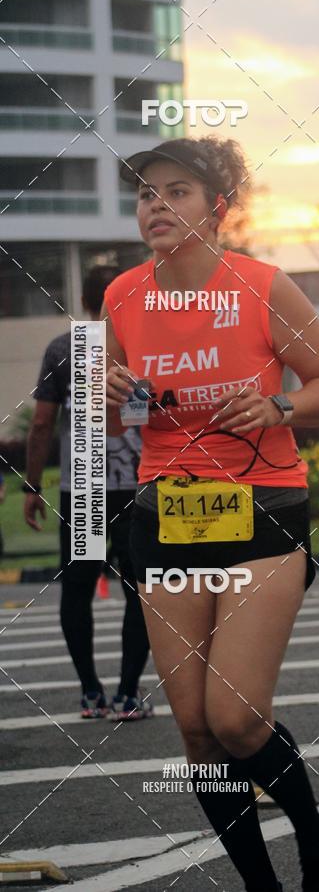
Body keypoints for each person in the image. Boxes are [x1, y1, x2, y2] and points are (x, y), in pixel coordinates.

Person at [105, 137, 319, 891]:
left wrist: (278, 403)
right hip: (167, 517)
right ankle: (260, 885)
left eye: (177, 191)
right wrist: (105, 399)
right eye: (148, 193)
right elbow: (117, 414)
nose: (157, 203)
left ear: (217, 210)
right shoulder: (122, 295)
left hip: (263, 510)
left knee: (238, 719)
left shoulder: (262, 284)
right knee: (197, 731)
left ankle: (318, 834)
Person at [24, 266, 151, 721]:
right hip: (138, 488)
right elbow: (150, 418)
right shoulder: (143, 346)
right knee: (140, 590)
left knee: (77, 590)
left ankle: (90, 694)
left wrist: (33, 486)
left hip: (83, 491)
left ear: (83, 301)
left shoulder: (62, 349)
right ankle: (128, 694)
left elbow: (41, 425)